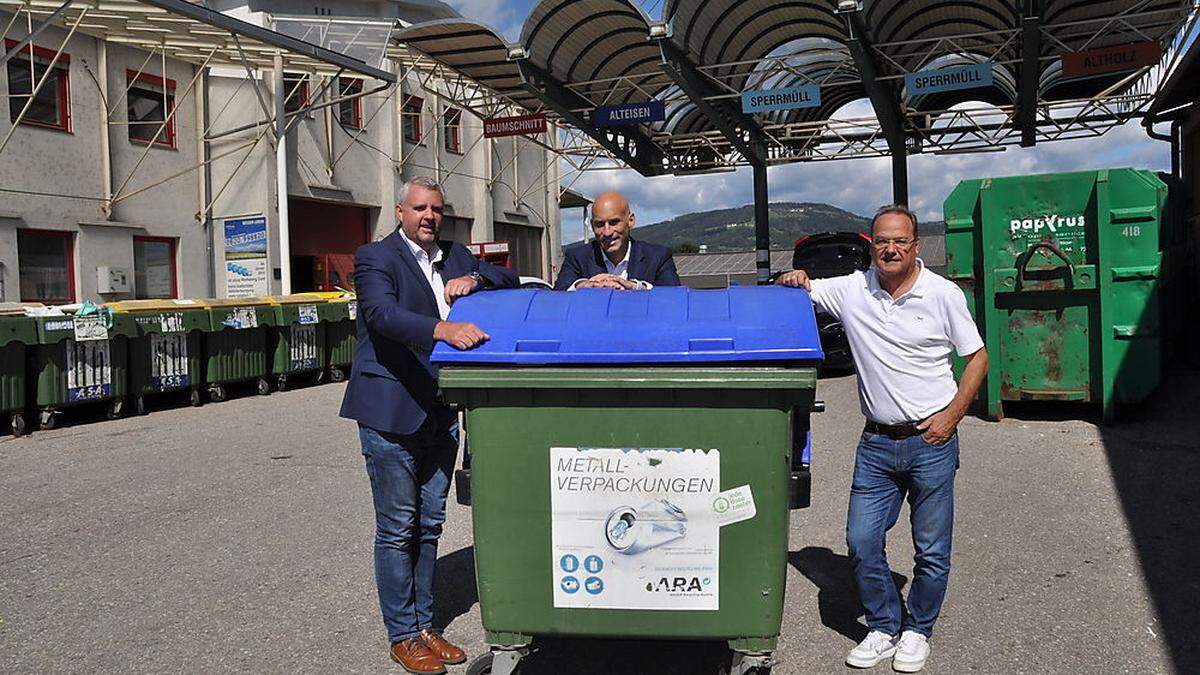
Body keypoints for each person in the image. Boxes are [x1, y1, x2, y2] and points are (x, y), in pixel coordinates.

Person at [776, 205, 989, 673]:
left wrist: (952, 417)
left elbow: (977, 358)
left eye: (900, 242)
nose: (890, 249)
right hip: (875, 443)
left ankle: (918, 630)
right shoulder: (854, 288)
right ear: (871, 245)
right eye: (882, 242)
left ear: (916, 246)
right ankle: (885, 624)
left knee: (931, 549)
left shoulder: (943, 294)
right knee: (861, 539)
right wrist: (794, 277)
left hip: (932, 440)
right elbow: (802, 287)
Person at [340, 176, 518, 674]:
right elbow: (382, 315)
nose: (428, 217)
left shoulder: (457, 256)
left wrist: (476, 281)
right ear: (400, 211)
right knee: (398, 527)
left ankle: (424, 626)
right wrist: (445, 328)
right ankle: (402, 635)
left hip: (441, 412)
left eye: (436, 209)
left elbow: (512, 280)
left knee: (431, 523)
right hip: (391, 412)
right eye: (419, 208)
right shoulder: (376, 257)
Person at [553, 190, 681, 290]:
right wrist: (583, 286)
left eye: (614, 222)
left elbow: (674, 298)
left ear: (630, 221)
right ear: (592, 226)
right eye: (600, 224)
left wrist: (636, 287)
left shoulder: (657, 257)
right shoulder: (577, 258)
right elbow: (556, 299)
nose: (607, 232)